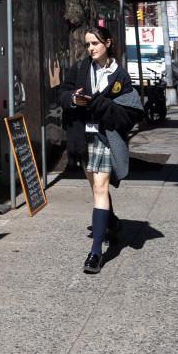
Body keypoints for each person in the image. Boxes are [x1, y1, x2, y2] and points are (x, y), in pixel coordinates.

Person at [59, 26, 144, 274]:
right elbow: (62, 93)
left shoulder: (120, 75)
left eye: (95, 43)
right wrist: (73, 99)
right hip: (81, 137)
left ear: (107, 43)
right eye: (87, 44)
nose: (91, 48)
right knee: (94, 186)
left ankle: (96, 253)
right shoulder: (80, 68)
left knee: (100, 187)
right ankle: (112, 222)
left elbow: (129, 110)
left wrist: (101, 104)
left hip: (106, 136)